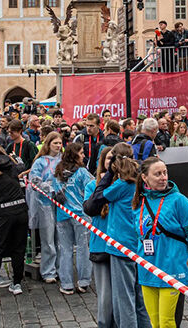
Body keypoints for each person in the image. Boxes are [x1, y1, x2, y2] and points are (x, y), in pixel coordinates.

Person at [84, 142, 150, 328]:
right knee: (140, 296)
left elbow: (98, 197)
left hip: (120, 245)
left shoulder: (121, 184)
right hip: (137, 242)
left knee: (124, 298)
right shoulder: (139, 181)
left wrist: (110, 175)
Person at [134, 157, 188, 328]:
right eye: (157, 174)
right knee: (154, 322)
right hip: (147, 269)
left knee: (167, 323)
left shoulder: (180, 201)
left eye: (165, 173)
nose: (163, 177)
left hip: (173, 269)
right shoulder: (139, 201)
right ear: (144, 178)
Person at [0, 143, 30, 298]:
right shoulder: (12, 166)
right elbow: (22, 168)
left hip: (3, 210)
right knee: (18, 248)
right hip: (21, 208)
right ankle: (16, 283)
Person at [52, 143, 94, 295]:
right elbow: (93, 188)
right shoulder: (82, 172)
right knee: (83, 248)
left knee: (65, 250)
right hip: (81, 215)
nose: (83, 155)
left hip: (62, 215)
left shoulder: (58, 171)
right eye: (81, 153)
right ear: (75, 155)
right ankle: (83, 281)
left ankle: (67, 283)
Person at [28, 132, 64, 284]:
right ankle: (48, 270)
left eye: (60, 143)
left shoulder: (64, 160)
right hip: (45, 204)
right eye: (55, 143)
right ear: (48, 144)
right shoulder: (40, 162)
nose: (58, 146)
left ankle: (61, 268)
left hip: (63, 204)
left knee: (62, 238)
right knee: (48, 239)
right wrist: (50, 189)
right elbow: (34, 181)